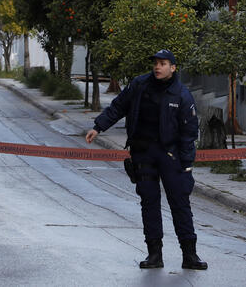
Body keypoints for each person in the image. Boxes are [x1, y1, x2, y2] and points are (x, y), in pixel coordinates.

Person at [85, 49, 207, 271]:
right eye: (156, 64)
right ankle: (154, 254)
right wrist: (98, 126)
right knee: (149, 203)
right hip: (143, 153)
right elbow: (119, 106)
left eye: (163, 63)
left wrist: (187, 165)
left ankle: (190, 255)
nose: (157, 67)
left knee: (179, 204)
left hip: (170, 156)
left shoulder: (181, 94)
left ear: (173, 67)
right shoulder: (139, 85)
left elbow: (189, 133)